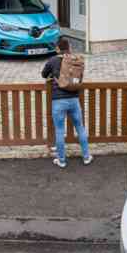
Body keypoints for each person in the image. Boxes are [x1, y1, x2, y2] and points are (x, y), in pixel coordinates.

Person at [42, 38, 93, 168]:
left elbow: (44, 74)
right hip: (74, 99)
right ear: (69, 47)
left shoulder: (53, 60)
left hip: (58, 101)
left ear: (57, 48)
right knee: (80, 127)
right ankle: (86, 157)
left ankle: (62, 160)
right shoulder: (74, 60)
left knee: (59, 131)